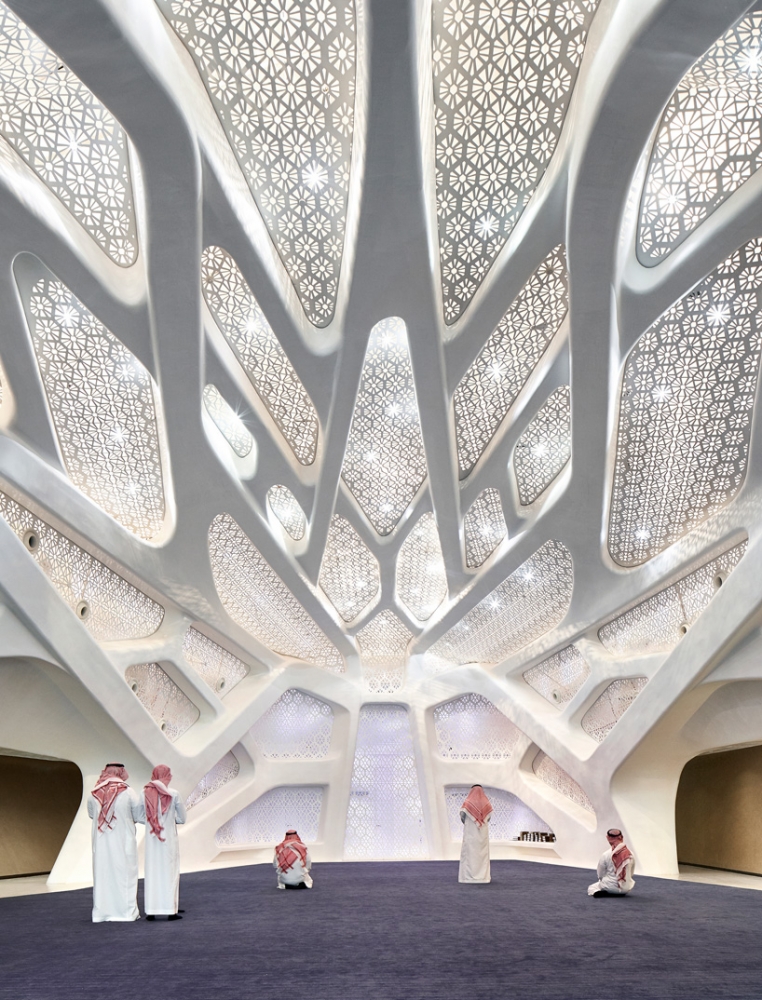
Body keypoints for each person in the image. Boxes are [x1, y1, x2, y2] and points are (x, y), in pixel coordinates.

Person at [87, 763, 141, 922]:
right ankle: (126, 913)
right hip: (123, 842)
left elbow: (92, 815)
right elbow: (138, 815)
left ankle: (102, 913)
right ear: (121, 772)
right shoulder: (128, 792)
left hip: (101, 844)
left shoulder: (94, 794)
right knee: (125, 874)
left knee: (103, 876)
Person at [139, 764, 186, 920]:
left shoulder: (144, 793)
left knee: (152, 872)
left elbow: (139, 816)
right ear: (167, 776)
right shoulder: (174, 794)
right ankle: (170, 909)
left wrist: (152, 823)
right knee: (170, 872)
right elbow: (182, 818)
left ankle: (151, 911)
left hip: (152, 840)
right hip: (168, 839)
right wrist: (170, 821)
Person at [459, 784, 492, 884]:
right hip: (482, 835)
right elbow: (489, 817)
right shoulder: (486, 803)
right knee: (482, 856)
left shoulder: (467, 803)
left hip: (470, 834)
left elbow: (462, 817)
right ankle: (483, 878)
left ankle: (467, 878)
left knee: (469, 855)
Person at [588, 828, 635, 897]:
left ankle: (602, 892)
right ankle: (619, 891)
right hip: (626, 888)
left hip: (610, 887)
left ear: (608, 838)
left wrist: (604, 881)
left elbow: (600, 874)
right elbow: (631, 873)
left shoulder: (606, 854)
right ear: (622, 837)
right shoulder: (631, 854)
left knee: (592, 887)